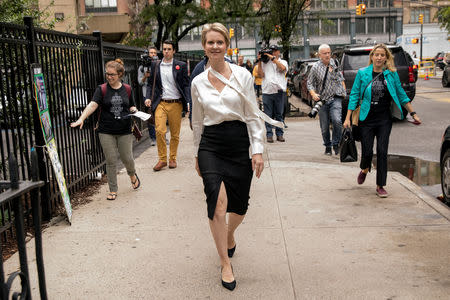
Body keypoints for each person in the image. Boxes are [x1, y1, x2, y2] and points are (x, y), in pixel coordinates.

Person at [191, 23, 282, 291]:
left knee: (239, 207)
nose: (215, 46)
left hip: (239, 140)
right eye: (210, 42)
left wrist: (257, 150)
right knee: (216, 202)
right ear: (204, 46)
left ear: (227, 45)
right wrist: (196, 153)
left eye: (220, 42)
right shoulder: (197, 82)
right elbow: (197, 122)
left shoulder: (242, 75)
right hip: (211, 144)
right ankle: (224, 262)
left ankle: (229, 235)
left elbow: (253, 115)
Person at [343, 43, 422, 197]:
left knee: (382, 151)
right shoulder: (362, 73)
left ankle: (380, 185)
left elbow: (401, 94)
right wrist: (347, 118)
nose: (379, 57)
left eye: (382, 55)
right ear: (372, 57)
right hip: (366, 118)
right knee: (367, 152)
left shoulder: (391, 74)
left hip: (384, 119)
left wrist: (413, 113)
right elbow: (353, 95)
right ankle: (365, 168)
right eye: (376, 54)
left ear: (386, 58)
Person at [71, 59, 140, 200]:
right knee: (111, 160)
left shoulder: (127, 88)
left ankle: (132, 174)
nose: (109, 77)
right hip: (106, 130)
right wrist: (81, 118)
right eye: (107, 74)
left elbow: (131, 105)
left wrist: (134, 109)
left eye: (112, 74)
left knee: (127, 158)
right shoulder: (101, 89)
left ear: (120, 74)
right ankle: (113, 189)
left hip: (124, 129)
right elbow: (92, 105)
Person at [145, 40, 191, 171]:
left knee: (175, 134)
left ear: (174, 51)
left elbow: (186, 85)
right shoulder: (155, 65)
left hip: (176, 103)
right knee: (160, 130)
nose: (166, 51)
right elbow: (150, 83)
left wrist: (188, 101)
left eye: (169, 49)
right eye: (164, 49)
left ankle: (172, 158)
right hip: (161, 102)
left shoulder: (180, 66)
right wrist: (148, 97)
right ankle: (162, 159)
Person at [307, 44, 346, 155]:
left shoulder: (335, 63)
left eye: (329, 53)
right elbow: (309, 83)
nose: (328, 55)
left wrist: (343, 91)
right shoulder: (315, 67)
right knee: (324, 127)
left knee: (337, 121)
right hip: (322, 100)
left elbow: (341, 79)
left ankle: (336, 144)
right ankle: (327, 146)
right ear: (319, 55)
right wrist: (313, 94)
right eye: (325, 53)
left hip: (335, 98)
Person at [257, 44, 288, 143]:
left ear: (278, 52)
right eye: (271, 51)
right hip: (267, 91)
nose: (273, 52)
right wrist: (259, 61)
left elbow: (282, 68)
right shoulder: (264, 63)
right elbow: (260, 75)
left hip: (279, 91)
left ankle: (280, 134)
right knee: (268, 115)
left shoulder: (283, 61)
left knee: (279, 114)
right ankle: (269, 135)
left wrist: (273, 58)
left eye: (274, 51)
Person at [138, 46, 158, 146]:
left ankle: (161, 137)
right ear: (147, 54)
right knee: (150, 116)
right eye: (151, 53)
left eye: (155, 53)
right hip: (147, 94)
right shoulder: (142, 67)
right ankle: (153, 138)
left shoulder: (159, 65)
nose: (153, 55)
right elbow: (140, 83)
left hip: (157, 94)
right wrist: (145, 77)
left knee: (159, 116)